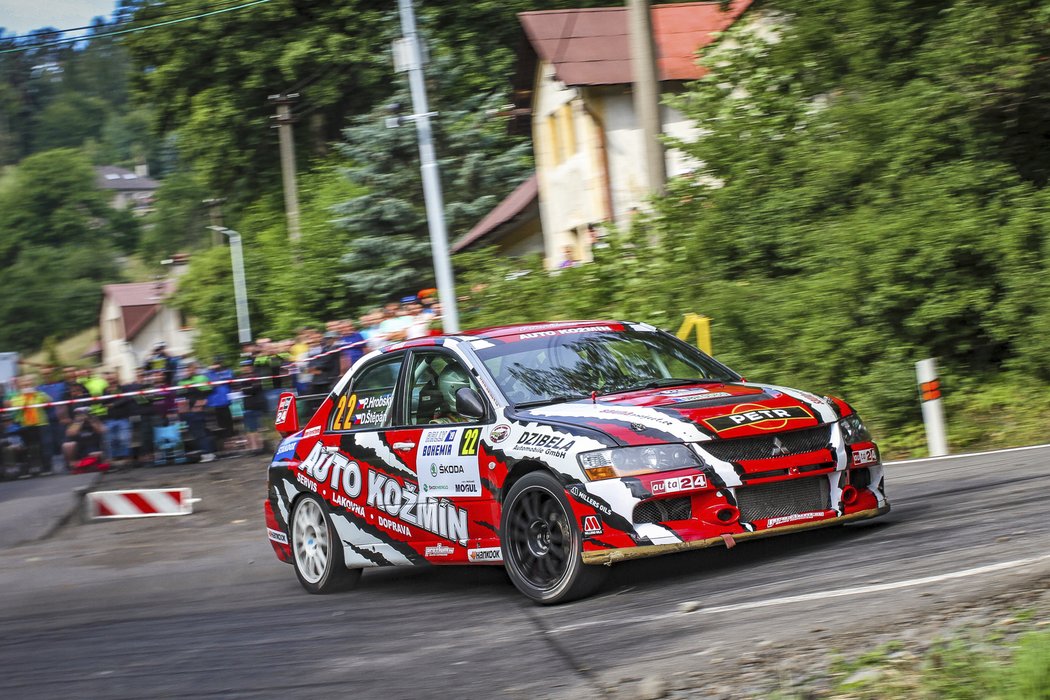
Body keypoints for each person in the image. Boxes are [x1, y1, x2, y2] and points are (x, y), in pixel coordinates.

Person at [7, 375, 52, 475]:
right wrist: (25, 397)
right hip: (25, 425)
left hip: (41, 424)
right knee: (27, 448)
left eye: (29, 384)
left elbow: (49, 400)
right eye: (25, 385)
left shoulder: (39, 394)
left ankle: (47, 468)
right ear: (21, 386)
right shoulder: (18, 397)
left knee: (44, 446)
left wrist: (35, 393)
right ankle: (29, 469)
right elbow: (16, 406)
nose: (27, 386)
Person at [178, 361, 216, 462]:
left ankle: (208, 453)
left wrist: (202, 402)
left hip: (198, 409)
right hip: (188, 410)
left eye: (192, 368)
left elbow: (209, 390)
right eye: (188, 369)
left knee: (200, 432)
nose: (190, 370)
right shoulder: (182, 381)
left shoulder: (201, 378)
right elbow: (180, 395)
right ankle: (207, 452)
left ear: (196, 369)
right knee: (196, 433)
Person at [64, 407, 107, 473]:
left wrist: (91, 420)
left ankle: (85, 466)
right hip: (79, 450)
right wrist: (79, 422)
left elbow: (102, 430)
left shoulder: (94, 421)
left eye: (84, 413)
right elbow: (71, 433)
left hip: (93, 449)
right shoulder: (75, 423)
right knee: (68, 445)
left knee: (96, 454)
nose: (83, 415)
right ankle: (72, 464)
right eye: (79, 414)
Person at [237, 360, 267, 454]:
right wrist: (250, 388)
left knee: (260, 428)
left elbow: (257, 388)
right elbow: (244, 390)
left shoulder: (257, 375)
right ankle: (254, 448)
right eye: (244, 366)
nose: (246, 367)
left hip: (258, 404)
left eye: (248, 365)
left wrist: (249, 389)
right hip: (248, 406)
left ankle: (261, 447)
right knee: (251, 429)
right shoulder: (241, 377)